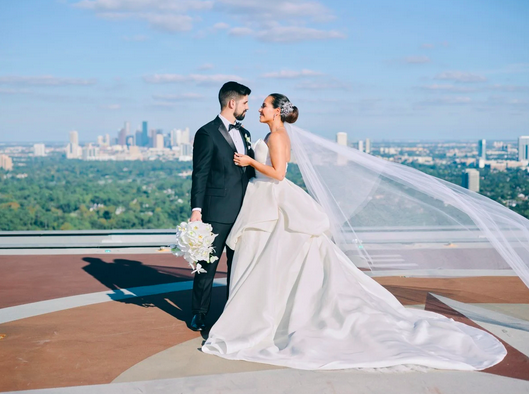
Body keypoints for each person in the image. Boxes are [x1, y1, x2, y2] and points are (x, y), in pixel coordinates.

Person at [201, 93, 507, 370]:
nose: (259, 108)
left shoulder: (278, 136)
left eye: (265, 105)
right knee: (266, 263)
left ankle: (263, 318)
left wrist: (250, 160)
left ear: (277, 112)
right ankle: (259, 314)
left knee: (274, 261)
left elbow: (279, 174)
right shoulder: (272, 133)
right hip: (261, 200)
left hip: (272, 198)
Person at [188, 81, 255, 331]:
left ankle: (233, 313)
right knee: (207, 265)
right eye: (245, 102)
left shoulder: (245, 133)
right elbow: (200, 174)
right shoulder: (206, 133)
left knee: (238, 266)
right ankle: (199, 313)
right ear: (232, 103)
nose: (248, 107)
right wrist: (197, 210)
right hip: (217, 212)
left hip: (245, 211)